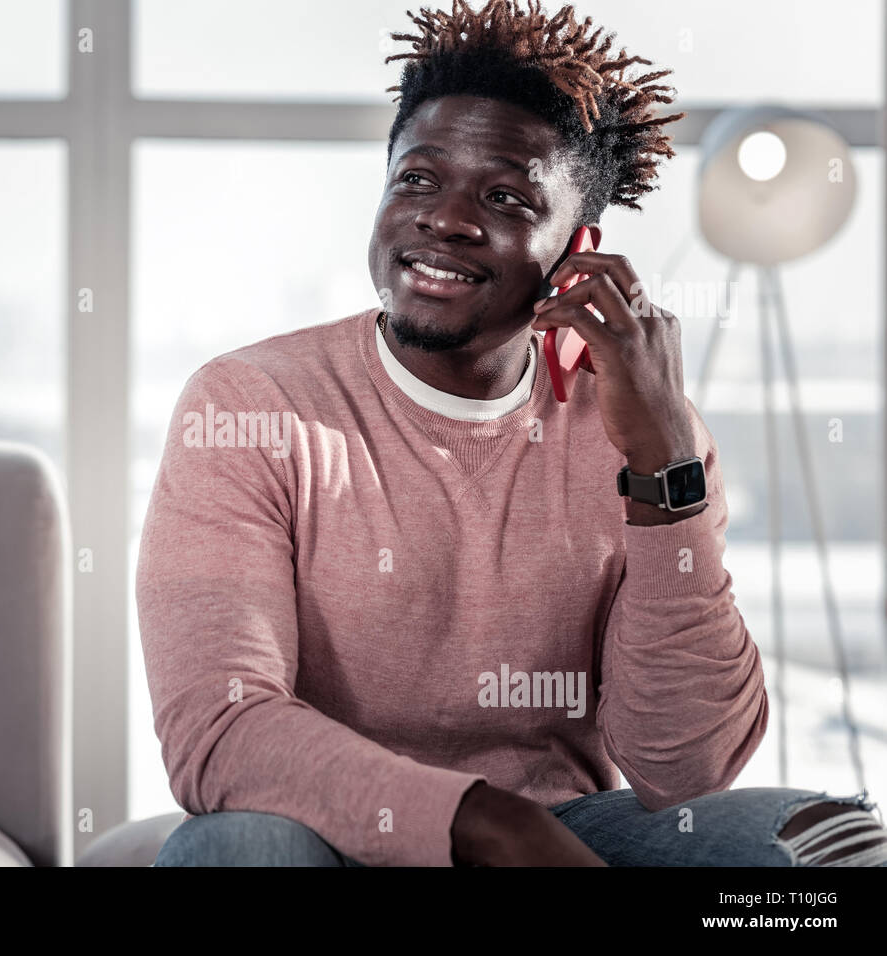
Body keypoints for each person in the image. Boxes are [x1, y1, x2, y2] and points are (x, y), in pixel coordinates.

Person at [137, 0, 887, 866]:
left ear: (577, 250)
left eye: (504, 197)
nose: (445, 218)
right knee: (241, 848)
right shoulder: (249, 406)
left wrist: (664, 463)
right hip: (327, 834)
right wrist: (485, 821)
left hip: (568, 834)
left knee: (817, 848)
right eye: (416, 179)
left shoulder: (640, 432)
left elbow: (686, 768)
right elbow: (219, 728)